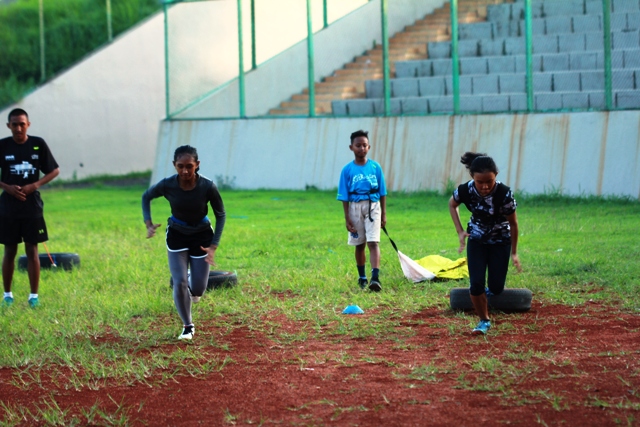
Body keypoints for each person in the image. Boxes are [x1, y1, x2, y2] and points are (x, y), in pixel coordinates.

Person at [142, 145, 226, 340]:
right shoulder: (167, 185)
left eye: (189, 166)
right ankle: (188, 326)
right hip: (177, 234)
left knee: (197, 289)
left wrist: (214, 245)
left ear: (197, 165)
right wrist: (148, 223)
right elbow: (146, 197)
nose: (185, 171)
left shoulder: (207, 186)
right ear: (174, 165)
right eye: (180, 166)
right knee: (179, 283)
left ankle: (191, 279)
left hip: (202, 235)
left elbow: (220, 214)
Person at [448, 152, 522, 335]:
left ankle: (484, 295)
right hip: (477, 240)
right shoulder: (465, 190)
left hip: (500, 241)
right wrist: (460, 231)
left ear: (496, 174)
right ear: (473, 177)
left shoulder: (504, 194)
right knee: (476, 283)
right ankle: (484, 320)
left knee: (496, 287)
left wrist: (514, 252)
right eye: (480, 182)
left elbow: (513, 224)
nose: (485, 186)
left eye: (489, 181)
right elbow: (452, 204)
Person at [0, 109, 60, 308]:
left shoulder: (38, 144)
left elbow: (54, 170)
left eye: (22, 124)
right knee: (9, 250)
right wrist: (6, 187)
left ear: (28, 124)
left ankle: (33, 297)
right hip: (8, 206)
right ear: (8, 125)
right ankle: (7, 295)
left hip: (31, 205)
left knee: (32, 249)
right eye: (14, 124)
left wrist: (35, 185)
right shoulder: (3, 146)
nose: (18, 128)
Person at [337, 130, 387, 292]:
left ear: (369, 147)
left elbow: (382, 192)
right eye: (358, 145)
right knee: (360, 244)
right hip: (355, 207)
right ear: (351, 147)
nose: (362, 148)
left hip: (373, 206)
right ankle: (362, 277)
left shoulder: (375, 167)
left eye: (364, 145)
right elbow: (344, 196)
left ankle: (375, 278)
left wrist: (384, 214)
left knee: (373, 242)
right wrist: (347, 218)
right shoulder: (347, 170)